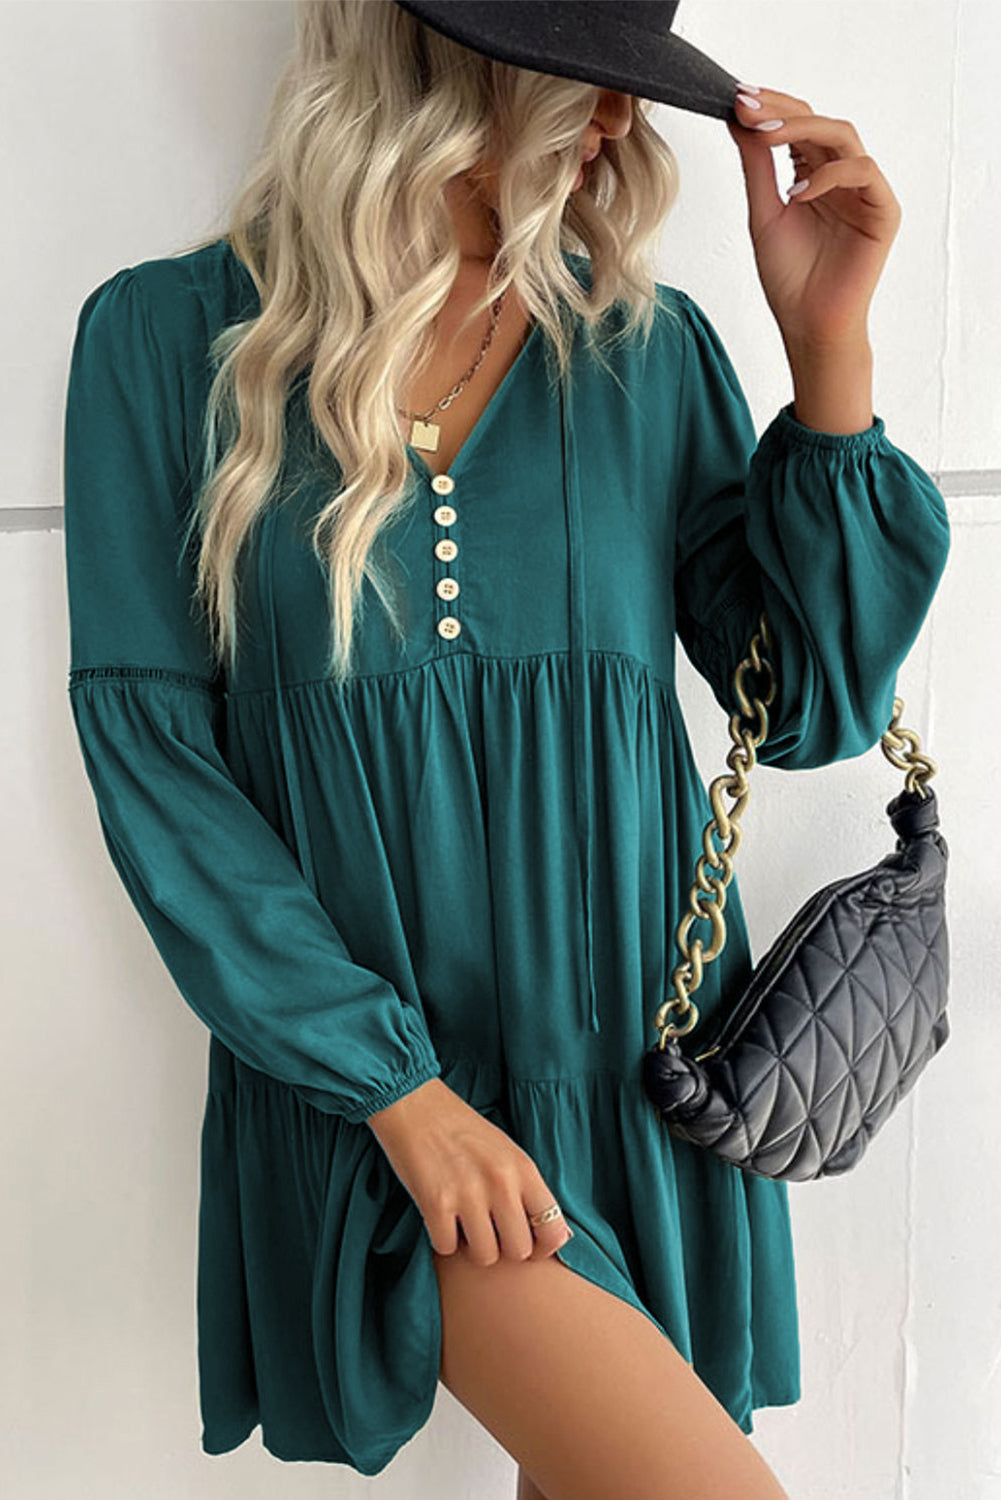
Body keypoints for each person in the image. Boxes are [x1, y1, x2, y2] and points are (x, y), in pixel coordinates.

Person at [61, 3, 950, 1497]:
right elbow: (159, 771)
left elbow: (801, 706)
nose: (614, 117)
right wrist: (397, 1094)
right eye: (576, 72)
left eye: (628, 80)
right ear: (431, 62)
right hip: (382, 1097)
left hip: (638, 1079)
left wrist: (829, 348)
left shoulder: (638, 347)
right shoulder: (164, 344)